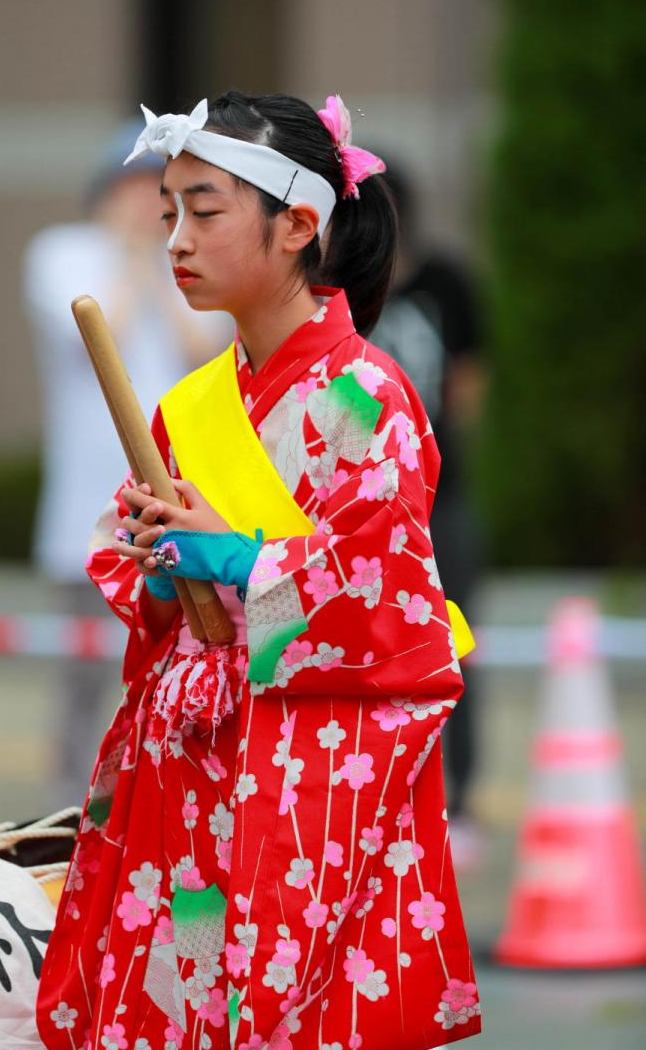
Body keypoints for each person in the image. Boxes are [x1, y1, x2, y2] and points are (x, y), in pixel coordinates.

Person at [36, 92, 480, 1049]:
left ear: (298, 226)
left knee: (285, 1003)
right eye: (168, 214)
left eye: (204, 210)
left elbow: (388, 591)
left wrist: (247, 566)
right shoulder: (190, 405)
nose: (176, 241)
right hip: (186, 753)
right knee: (176, 991)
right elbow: (135, 566)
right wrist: (157, 572)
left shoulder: (366, 394)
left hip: (305, 764)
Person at [24, 125, 229, 807]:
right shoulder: (62, 252)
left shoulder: (188, 260)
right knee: (85, 674)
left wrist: (154, 258)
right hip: (87, 504)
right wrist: (134, 258)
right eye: (137, 189)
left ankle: (153, 805)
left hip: (177, 500)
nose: (148, 205)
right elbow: (95, 331)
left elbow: (205, 350)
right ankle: (71, 808)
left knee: (174, 663)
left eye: (162, 194)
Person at [367, 161, 485, 868]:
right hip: (363, 504)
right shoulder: (340, 290)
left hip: (443, 500)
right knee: (371, 651)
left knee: (453, 646)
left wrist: (431, 453)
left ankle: (458, 802)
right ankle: (382, 798)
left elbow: (467, 381)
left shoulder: (447, 282)